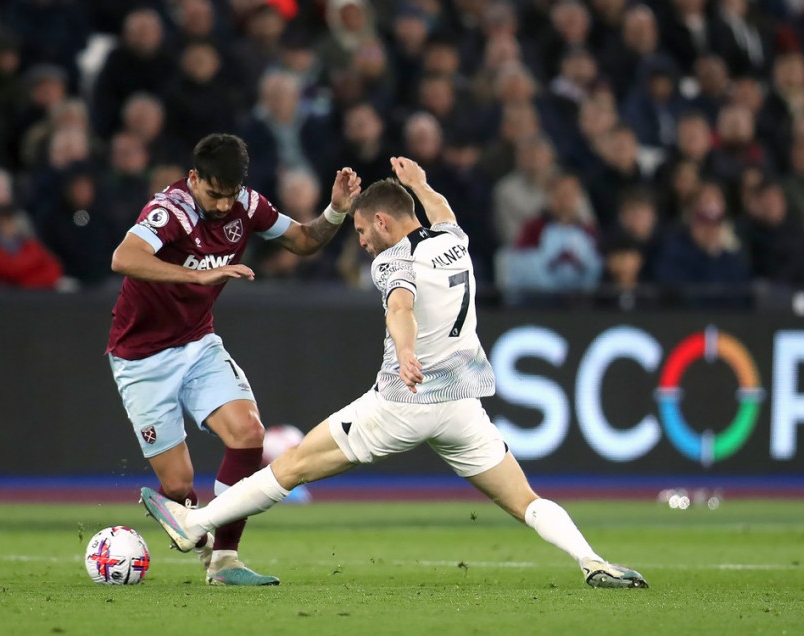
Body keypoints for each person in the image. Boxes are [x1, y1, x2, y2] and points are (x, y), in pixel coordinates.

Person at [140, 156, 648, 590]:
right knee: (525, 500)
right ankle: (592, 561)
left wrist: (406, 354)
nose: (361, 242)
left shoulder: (392, 261)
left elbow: (401, 308)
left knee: (292, 466)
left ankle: (195, 523)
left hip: (402, 403)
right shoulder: (455, 239)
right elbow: (441, 210)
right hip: (461, 409)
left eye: (361, 231)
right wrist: (421, 183)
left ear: (382, 222)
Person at [107, 133, 361, 586]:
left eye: (229, 195)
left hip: (197, 343)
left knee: (248, 434)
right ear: (193, 178)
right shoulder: (171, 210)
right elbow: (124, 257)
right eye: (213, 194)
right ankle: (196, 534)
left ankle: (224, 560)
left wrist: (336, 210)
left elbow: (303, 241)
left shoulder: (248, 204)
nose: (223, 206)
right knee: (179, 486)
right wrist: (198, 275)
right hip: (140, 356)